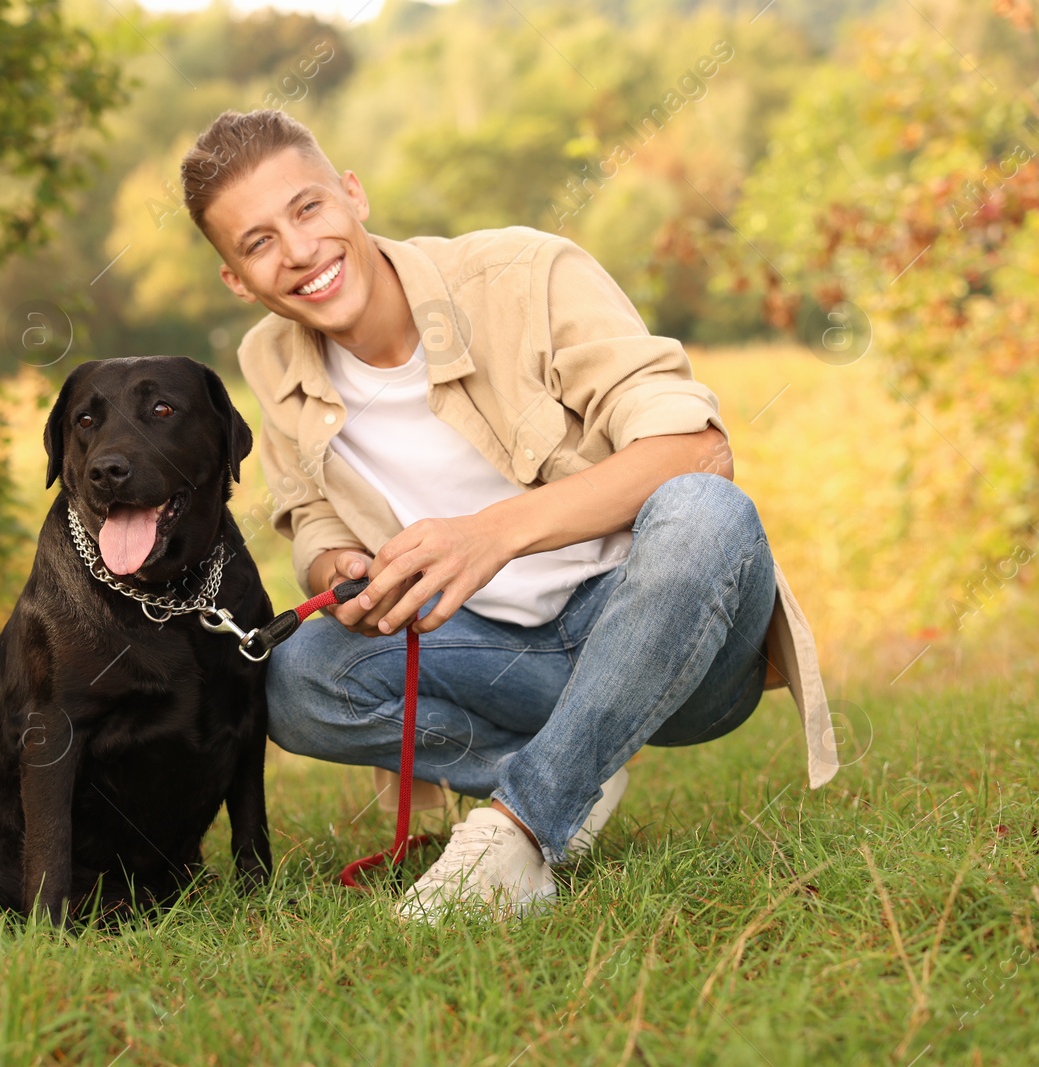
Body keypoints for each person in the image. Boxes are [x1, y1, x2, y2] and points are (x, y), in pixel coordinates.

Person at [178, 109, 838, 922]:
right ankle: (564, 772)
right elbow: (311, 515)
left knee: (707, 511)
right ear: (238, 280)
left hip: (669, 640)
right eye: (259, 242)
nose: (300, 251)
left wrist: (490, 534)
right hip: (500, 656)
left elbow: (695, 450)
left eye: (308, 208)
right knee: (297, 675)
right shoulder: (268, 361)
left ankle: (519, 832)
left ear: (353, 195)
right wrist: (336, 570)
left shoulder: (529, 273)